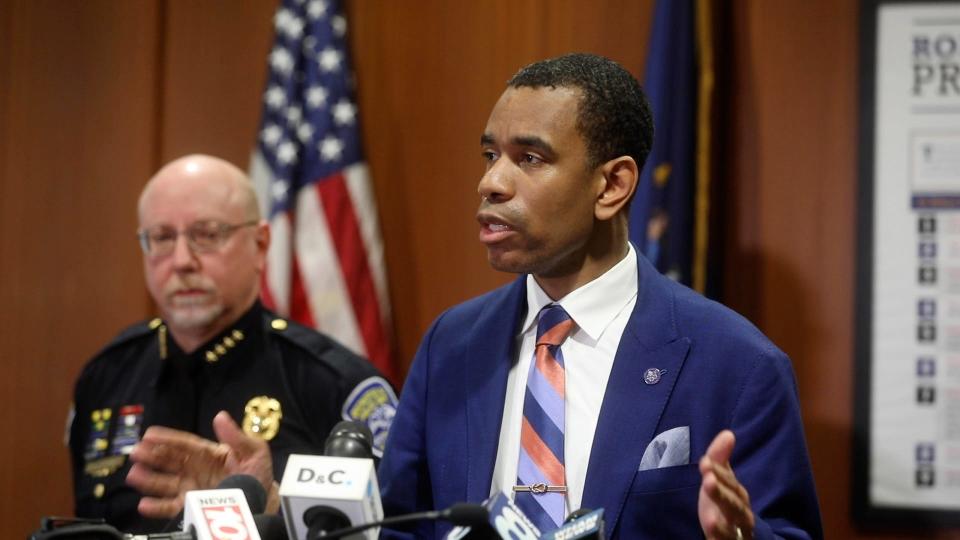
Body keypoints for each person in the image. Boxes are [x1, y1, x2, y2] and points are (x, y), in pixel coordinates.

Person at [375, 53, 823, 539]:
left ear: (612, 185)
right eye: (490, 156)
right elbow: (399, 524)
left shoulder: (739, 365)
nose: (491, 183)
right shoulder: (452, 342)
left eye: (530, 158)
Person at [68, 155, 396, 534]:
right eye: (161, 238)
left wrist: (271, 501)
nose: (181, 261)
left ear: (260, 245)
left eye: (206, 235)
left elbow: (389, 530)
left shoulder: (331, 381)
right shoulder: (105, 378)